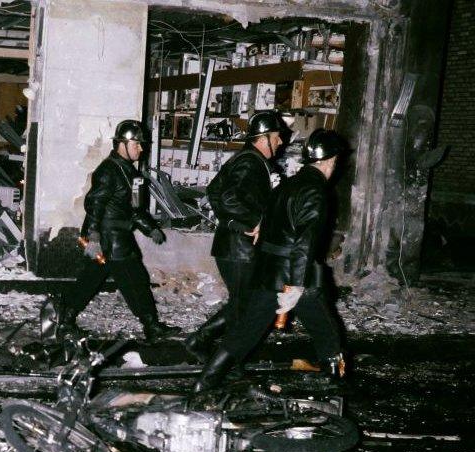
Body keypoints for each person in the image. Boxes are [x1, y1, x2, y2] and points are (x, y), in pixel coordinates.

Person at [193, 129, 348, 393]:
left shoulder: (288, 185)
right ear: (331, 161)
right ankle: (337, 384)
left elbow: (268, 229)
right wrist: (297, 285)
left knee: (244, 332)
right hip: (296, 276)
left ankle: (203, 383)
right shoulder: (316, 192)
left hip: (270, 274)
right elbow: (305, 242)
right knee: (327, 332)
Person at [56, 119, 178, 342]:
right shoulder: (109, 170)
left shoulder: (128, 171)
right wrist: (93, 239)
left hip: (117, 237)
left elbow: (133, 208)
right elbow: (94, 205)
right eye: (137, 144)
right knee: (134, 280)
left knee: (92, 281)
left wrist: (150, 229)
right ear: (122, 144)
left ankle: (64, 320)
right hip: (108, 240)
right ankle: (151, 326)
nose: (141, 149)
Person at [183, 110, 285, 362]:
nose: (281, 142)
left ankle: (202, 343)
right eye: (277, 136)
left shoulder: (247, 159)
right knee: (246, 309)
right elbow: (228, 197)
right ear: (264, 138)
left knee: (244, 304)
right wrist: (253, 221)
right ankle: (223, 360)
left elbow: (214, 190)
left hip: (235, 246)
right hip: (239, 249)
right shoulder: (250, 162)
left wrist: (230, 221)